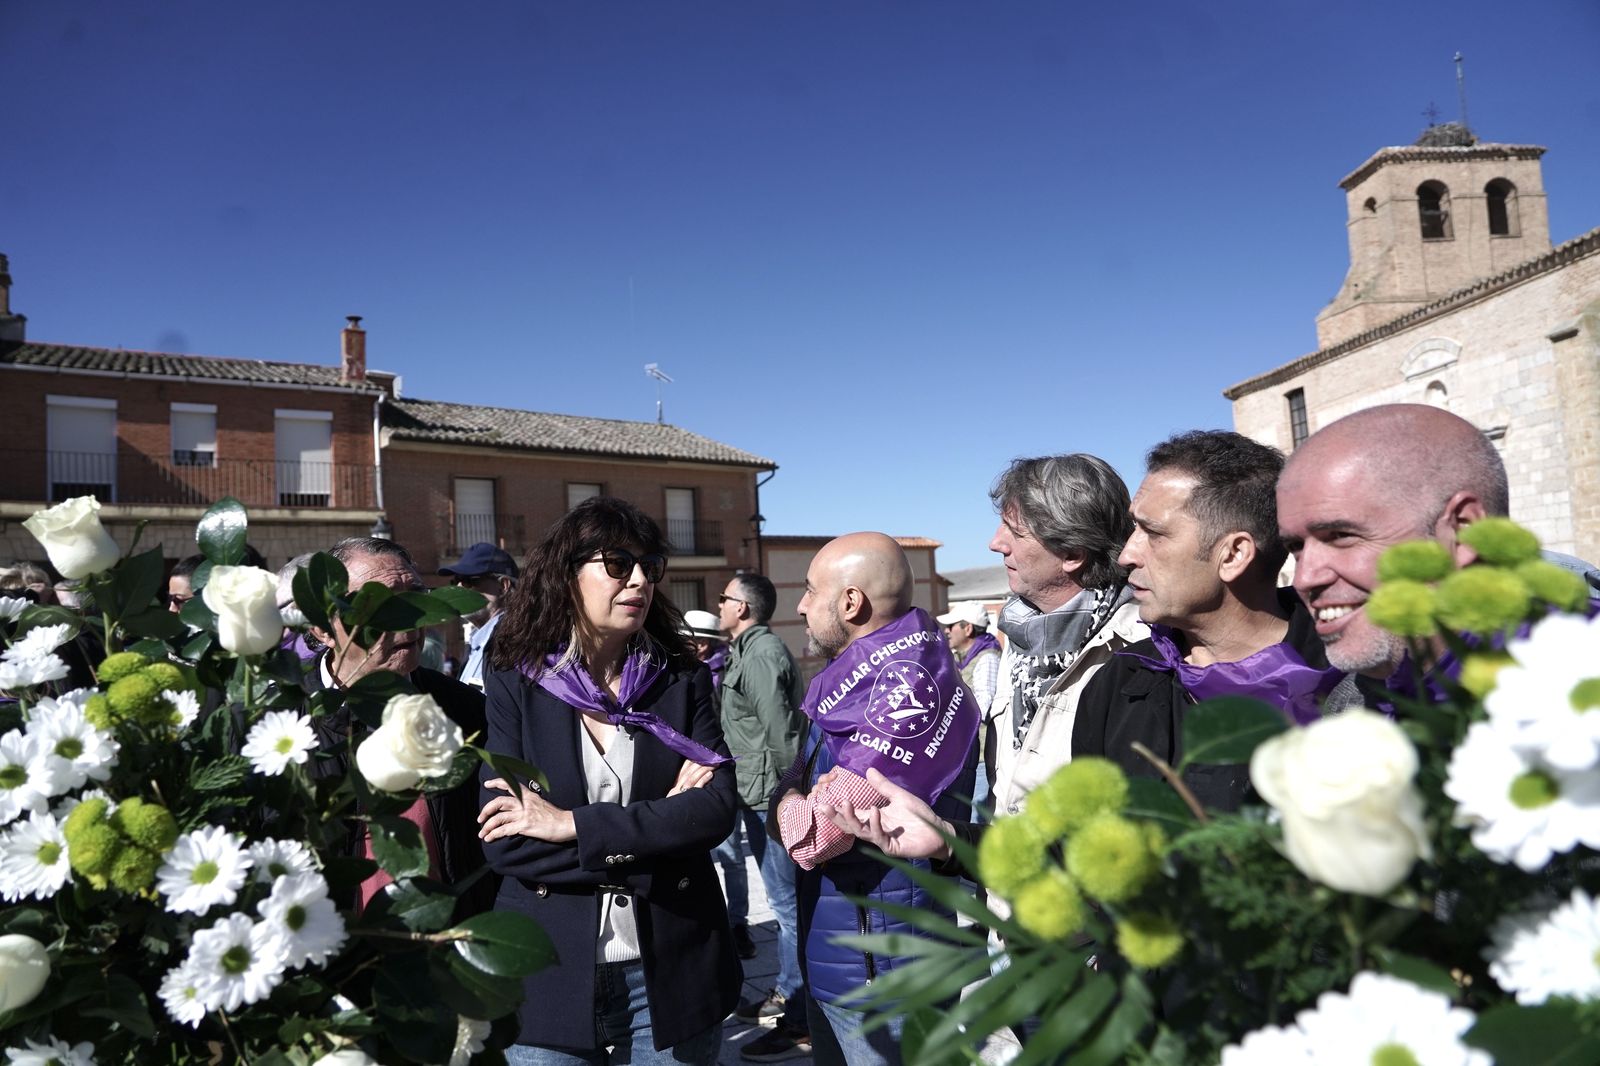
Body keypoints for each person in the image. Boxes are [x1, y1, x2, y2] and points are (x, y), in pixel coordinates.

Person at [476, 496, 741, 1065]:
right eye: (618, 563)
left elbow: (716, 810)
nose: (640, 579)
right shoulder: (514, 679)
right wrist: (660, 829)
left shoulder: (681, 678)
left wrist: (568, 825)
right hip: (548, 969)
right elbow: (507, 842)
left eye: (650, 566)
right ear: (566, 574)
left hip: (673, 961)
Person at [769, 532, 977, 1066]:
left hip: (883, 975)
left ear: (850, 602)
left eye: (811, 591)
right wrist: (795, 787)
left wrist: (789, 790)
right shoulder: (872, 679)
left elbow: (810, 834)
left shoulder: (895, 696)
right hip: (850, 957)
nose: (800, 605)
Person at [1073, 431, 1344, 811]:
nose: (1126, 555)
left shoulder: (1351, 686)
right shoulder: (1119, 681)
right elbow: (1082, 845)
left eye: (1153, 533)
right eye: (1135, 528)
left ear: (1233, 555)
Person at [303, 537, 494, 916]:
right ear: (324, 627)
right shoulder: (275, 723)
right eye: (381, 603)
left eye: (416, 596)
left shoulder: (467, 712)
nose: (408, 617)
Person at [986, 455, 1147, 821]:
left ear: (1072, 554)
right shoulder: (1018, 634)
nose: (996, 543)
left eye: (1015, 532)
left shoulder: (1141, 646)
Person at [713, 573, 812, 1061]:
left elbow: (781, 733)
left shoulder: (760, 654)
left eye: (726, 599)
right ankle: (787, 992)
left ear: (744, 609)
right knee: (783, 901)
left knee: (787, 905)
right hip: (756, 791)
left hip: (770, 794)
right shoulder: (747, 651)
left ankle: (799, 1016)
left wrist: (788, 796)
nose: (719, 603)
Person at [936, 600, 1001, 817]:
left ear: (968, 628)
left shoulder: (988, 659)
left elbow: (982, 707)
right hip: (966, 756)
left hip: (982, 757)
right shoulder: (961, 658)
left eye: (952, 625)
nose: (946, 631)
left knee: (976, 819)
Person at [440, 542, 519, 687]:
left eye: (469, 581)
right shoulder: (479, 642)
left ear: (503, 587)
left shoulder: (514, 643)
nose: (459, 587)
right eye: (456, 581)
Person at [680, 609, 728, 692]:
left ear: (702, 645)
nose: (680, 643)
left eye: (685, 639)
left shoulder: (724, 675)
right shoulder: (681, 668)